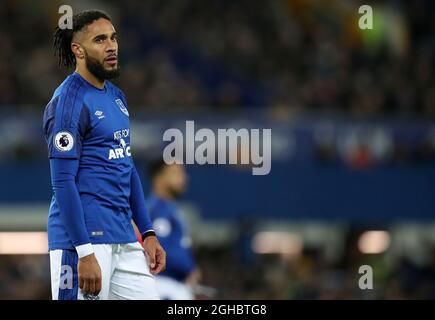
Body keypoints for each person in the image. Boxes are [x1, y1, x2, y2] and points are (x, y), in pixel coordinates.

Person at [43, 10, 165, 300]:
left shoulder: (116, 96)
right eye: (100, 40)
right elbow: (62, 183)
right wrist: (83, 252)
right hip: (83, 243)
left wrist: (147, 232)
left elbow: (127, 166)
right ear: (78, 50)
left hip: (124, 237)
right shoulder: (68, 103)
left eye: (113, 37)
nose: (111, 46)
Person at [145, 160, 201, 300]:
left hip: (172, 284)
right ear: (159, 178)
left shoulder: (170, 209)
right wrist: (188, 269)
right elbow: (159, 249)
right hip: (163, 284)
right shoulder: (157, 210)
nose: (184, 177)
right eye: (176, 173)